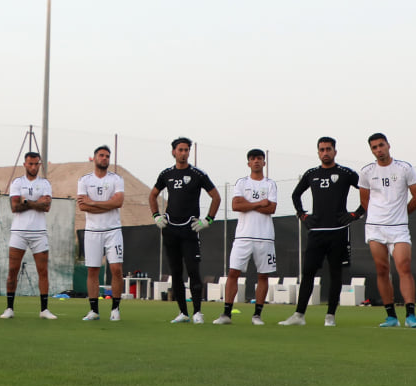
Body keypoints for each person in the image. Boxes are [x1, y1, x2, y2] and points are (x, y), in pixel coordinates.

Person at [281, 137, 361, 327]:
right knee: (308, 272)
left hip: (339, 232)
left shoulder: (345, 173)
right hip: (316, 233)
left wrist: (356, 214)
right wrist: (302, 215)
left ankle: (330, 316)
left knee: (335, 274)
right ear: (318, 152)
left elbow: (367, 190)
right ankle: (299, 315)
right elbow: (295, 194)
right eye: (322, 149)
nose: (325, 152)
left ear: (335, 151)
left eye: (328, 149)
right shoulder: (311, 174)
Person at [148, 138, 219, 325]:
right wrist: (156, 215)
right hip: (170, 230)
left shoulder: (198, 174)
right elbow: (153, 194)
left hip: (190, 230)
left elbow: (216, 197)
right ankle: (183, 313)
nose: (184, 153)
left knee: (194, 271)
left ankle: (197, 312)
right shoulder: (166, 174)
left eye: (186, 150)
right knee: (176, 273)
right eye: (180, 150)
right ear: (173, 152)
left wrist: (208, 220)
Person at [359, 133, 416, 328]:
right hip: (375, 228)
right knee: (382, 270)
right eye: (374, 147)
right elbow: (364, 200)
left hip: (399, 229)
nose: (378, 150)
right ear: (371, 150)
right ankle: (391, 316)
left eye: (381, 145)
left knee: (404, 267)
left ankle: (411, 315)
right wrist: (376, 218)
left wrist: (401, 215)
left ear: (388, 145)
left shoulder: (405, 168)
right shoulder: (367, 171)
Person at [219, 149, 279, 326]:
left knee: (263, 276)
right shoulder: (241, 182)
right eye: (253, 159)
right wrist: (259, 203)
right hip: (243, 236)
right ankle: (226, 314)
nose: (256, 162)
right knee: (233, 272)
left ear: (264, 163)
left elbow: (272, 209)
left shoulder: (270, 184)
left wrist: (249, 205)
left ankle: (257, 315)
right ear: (248, 163)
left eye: (259, 159)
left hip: (265, 237)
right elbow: (236, 205)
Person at [4, 151, 57, 319]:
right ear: (25, 165)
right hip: (19, 232)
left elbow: (47, 207)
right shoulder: (17, 182)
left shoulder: (45, 183)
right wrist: (35, 203)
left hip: (39, 232)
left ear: (39, 165)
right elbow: (14, 207)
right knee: (13, 270)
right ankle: (9, 308)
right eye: (30, 164)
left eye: (36, 164)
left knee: (43, 271)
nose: (33, 167)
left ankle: (44, 310)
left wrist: (26, 201)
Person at [76, 145, 124, 321]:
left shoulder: (116, 179)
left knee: (116, 269)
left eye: (107, 156)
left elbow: (118, 202)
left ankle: (115, 309)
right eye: (101, 155)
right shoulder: (84, 180)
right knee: (93, 270)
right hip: (92, 231)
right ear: (94, 158)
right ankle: (94, 310)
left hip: (113, 230)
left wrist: (93, 203)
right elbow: (82, 205)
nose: (105, 158)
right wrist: (106, 204)